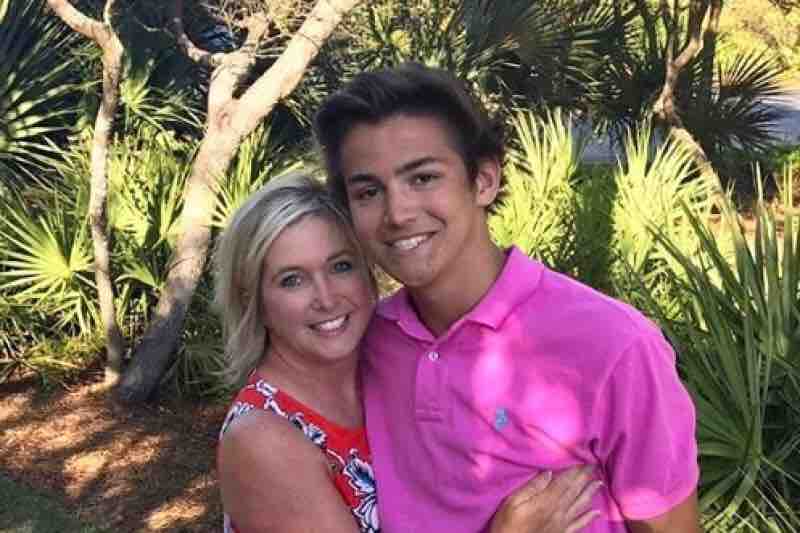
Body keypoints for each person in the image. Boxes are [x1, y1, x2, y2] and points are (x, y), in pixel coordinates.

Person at [313, 63, 701, 532]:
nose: (397, 213)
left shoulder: (614, 345)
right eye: (368, 192)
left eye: (423, 178)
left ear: (484, 180)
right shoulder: (365, 343)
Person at [213, 172, 601, 533]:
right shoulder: (263, 442)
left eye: (341, 266)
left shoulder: (394, 362)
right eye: (292, 280)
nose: (326, 298)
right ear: (254, 301)